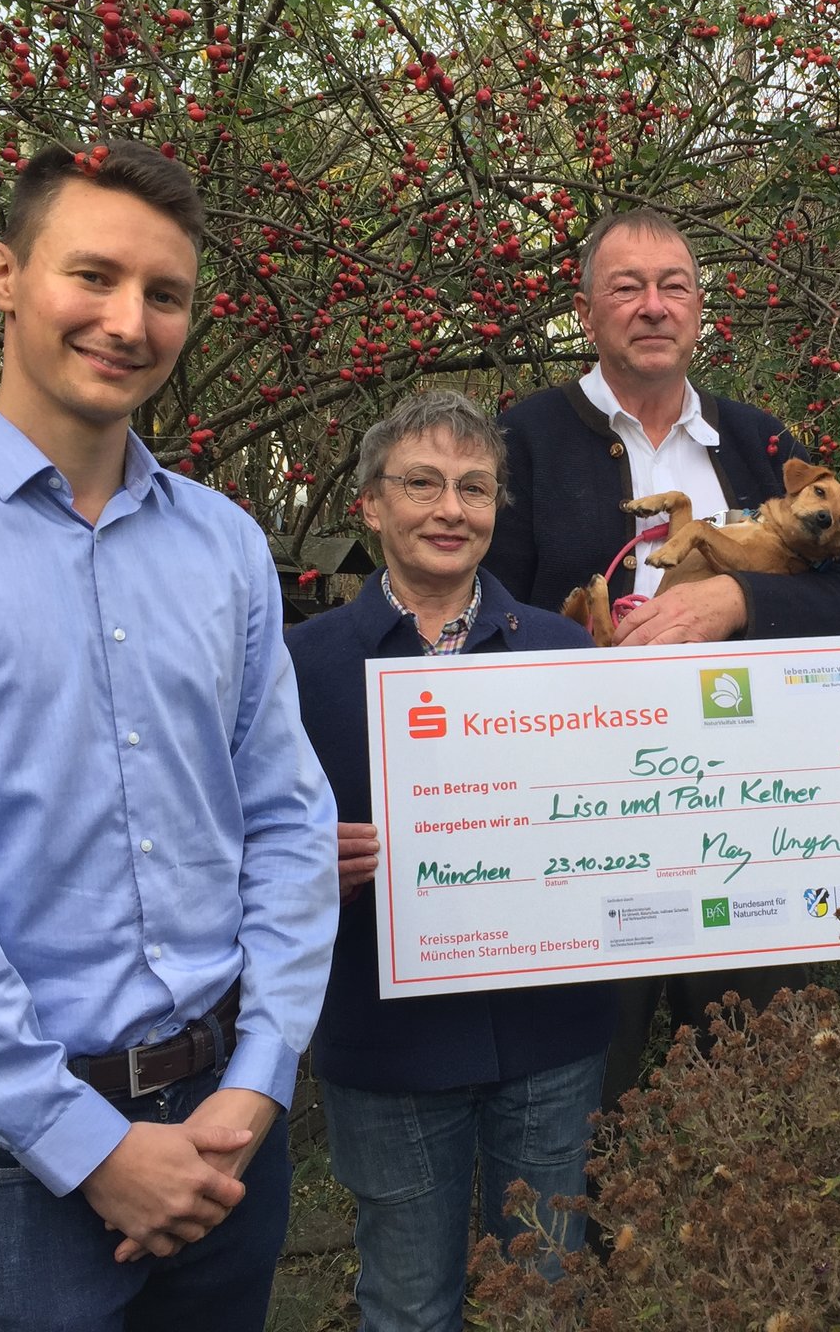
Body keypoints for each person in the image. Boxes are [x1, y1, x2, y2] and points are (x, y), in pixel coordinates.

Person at [0, 140, 339, 1331]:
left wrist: (263, 1073)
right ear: (1, 275)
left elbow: (284, 819)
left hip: (228, 1131)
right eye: (94, 276)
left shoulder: (227, 547)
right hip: (2, 1159)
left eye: (166, 294)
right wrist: (84, 1142)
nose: (128, 320)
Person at [483, 208, 840, 1106]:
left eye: (673, 287)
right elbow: (480, 608)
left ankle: (742, 1248)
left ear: (700, 311)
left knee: (762, 1082)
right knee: (576, 1091)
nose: (652, 306)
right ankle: (570, 1247)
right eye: (626, 287)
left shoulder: (762, 443)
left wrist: (737, 599)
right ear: (586, 312)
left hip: (746, 823)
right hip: (583, 823)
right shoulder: (523, 438)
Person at [286, 390, 617, 1332]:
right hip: (386, 1040)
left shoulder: (565, 652)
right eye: (421, 484)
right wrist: (301, 858)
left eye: (475, 488)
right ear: (372, 505)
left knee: (545, 1295)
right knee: (405, 1300)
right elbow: (236, 837)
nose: (450, 509)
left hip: (550, 1036)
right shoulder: (297, 665)